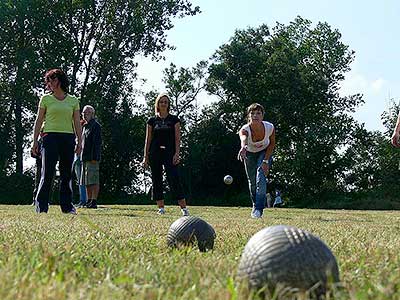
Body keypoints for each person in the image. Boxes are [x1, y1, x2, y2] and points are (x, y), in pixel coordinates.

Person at [31, 68, 82, 214]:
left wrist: (80, 141)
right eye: (48, 81)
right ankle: (41, 206)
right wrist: (34, 141)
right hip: (49, 137)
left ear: (59, 81)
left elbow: (77, 122)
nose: (50, 83)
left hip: (68, 137)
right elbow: (39, 120)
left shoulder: (73, 100)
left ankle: (67, 206)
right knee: (47, 172)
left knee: (67, 174)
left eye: (52, 80)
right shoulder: (45, 99)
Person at [143, 93, 189, 216]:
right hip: (155, 153)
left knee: (174, 178)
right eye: (161, 102)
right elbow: (148, 140)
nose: (163, 104)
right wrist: (145, 157)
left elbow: (177, 139)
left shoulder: (174, 120)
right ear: (157, 104)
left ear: (168, 104)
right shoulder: (152, 121)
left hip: (170, 152)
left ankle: (184, 209)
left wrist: (177, 154)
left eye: (166, 102)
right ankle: (161, 208)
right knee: (156, 179)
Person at [237, 103, 275, 218]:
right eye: (252, 113)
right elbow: (243, 137)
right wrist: (243, 147)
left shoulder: (269, 127)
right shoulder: (245, 129)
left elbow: (272, 143)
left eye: (258, 113)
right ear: (249, 116)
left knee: (261, 178)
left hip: (265, 152)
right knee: (252, 181)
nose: (255, 116)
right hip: (249, 153)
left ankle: (259, 209)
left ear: (262, 116)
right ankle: (254, 205)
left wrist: (266, 161)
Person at [80, 105, 102, 209]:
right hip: (84, 157)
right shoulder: (85, 126)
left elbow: (97, 143)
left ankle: (94, 201)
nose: (84, 115)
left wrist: (95, 157)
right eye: (83, 113)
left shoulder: (96, 126)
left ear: (92, 114)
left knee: (93, 180)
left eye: (87, 113)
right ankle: (88, 200)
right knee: (86, 181)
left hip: (92, 157)